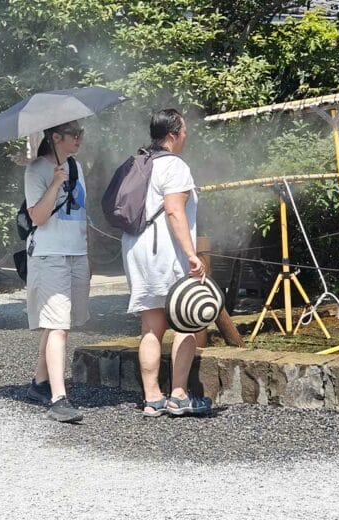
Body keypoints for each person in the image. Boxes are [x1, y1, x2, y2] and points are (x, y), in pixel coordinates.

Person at [122, 109, 211, 417]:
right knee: (186, 319)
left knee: (151, 325)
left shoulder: (142, 163)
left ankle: (152, 398)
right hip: (166, 251)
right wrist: (191, 254)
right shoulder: (174, 166)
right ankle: (178, 395)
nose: (187, 135)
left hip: (137, 248)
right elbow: (174, 210)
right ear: (173, 134)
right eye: (184, 130)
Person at [23, 120, 89, 423]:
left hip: (76, 252)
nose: (79, 138)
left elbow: (80, 213)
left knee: (60, 322)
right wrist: (54, 183)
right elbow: (36, 216)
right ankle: (58, 398)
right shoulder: (36, 169)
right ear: (56, 137)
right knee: (58, 325)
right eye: (74, 134)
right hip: (49, 254)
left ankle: (39, 382)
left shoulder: (77, 165)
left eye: (81, 133)